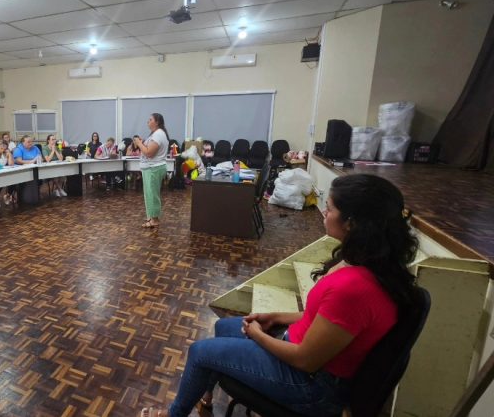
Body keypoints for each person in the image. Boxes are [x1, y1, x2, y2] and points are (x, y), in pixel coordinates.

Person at [141, 174, 419, 417]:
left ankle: (174, 413)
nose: (324, 211)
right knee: (222, 326)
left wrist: (258, 334)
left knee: (200, 352)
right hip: (309, 357)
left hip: (312, 387)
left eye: (330, 208)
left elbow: (305, 359)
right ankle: (206, 392)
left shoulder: (354, 289)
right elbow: (326, 319)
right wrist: (274, 316)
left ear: (352, 223)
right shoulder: (373, 264)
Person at [133, 114, 169, 228]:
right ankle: (151, 216)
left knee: (152, 195)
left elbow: (149, 153)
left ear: (157, 122)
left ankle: (154, 220)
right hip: (150, 168)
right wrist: (142, 143)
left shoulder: (158, 134)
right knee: (149, 194)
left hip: (153, 168)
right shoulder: (156, 134)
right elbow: (148, 150)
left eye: (150, 120)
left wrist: (139, 143)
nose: (147, 122)